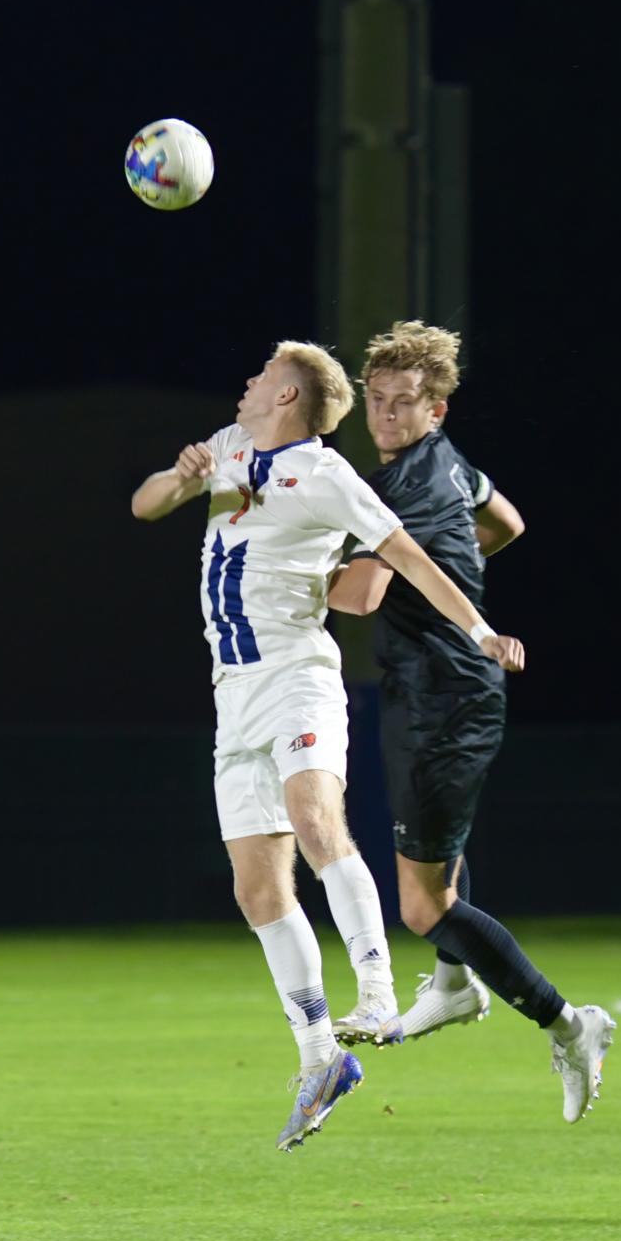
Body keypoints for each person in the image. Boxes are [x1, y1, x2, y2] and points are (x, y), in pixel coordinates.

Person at [131, 340, 526, 1152]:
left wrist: (482, 629)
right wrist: (180, 476)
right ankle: (319, 1059)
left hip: (297, 678)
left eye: (259, 379)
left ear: (286, 399)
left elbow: (409, 557)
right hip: (232, 695)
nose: (244, 385)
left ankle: (376, 992)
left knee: (316, 820)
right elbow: (142, 505)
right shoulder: (232, 447)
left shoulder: (327, 476)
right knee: (255, 888)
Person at [326, 320, 615, 1125]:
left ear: (436, 411)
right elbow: (507, 523)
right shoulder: (452, 469)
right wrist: (461, 564)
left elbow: (357, 598)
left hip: (442, 695)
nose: (384, 416)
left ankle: (569, 1023)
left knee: (420, 906)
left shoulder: (399, 487)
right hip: (435, 689)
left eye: (403, 404)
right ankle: (453, 986)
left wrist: (275, 566)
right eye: (376, 402)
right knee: (434, 872)